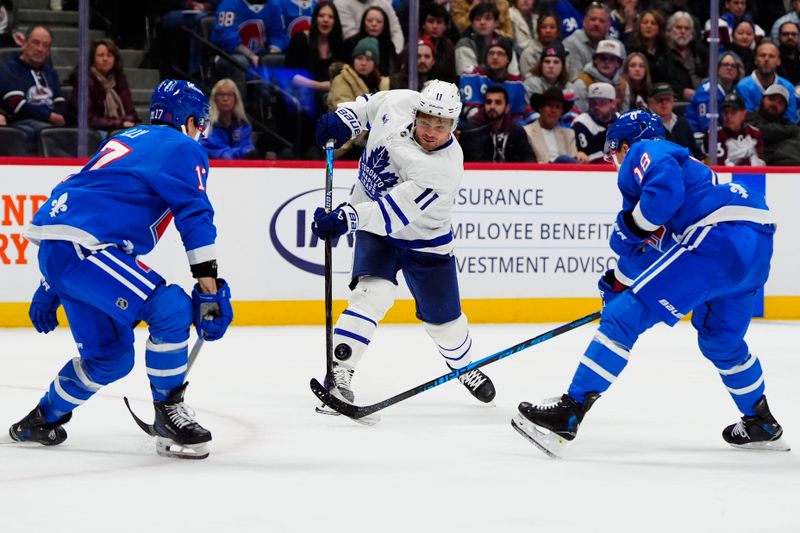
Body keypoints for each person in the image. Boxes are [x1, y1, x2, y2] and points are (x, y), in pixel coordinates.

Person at [512, 109, 788, 457]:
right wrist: (617, 284)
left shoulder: (649, 150)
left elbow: (659, 196)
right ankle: (760, 420)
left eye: (614, 154)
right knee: (721, 341)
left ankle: (569, 411)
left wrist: (630, 231)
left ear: (625, 146)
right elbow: (649, 258)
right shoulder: (693, 187)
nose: (617, 163)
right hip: (754, 247)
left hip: (718, 236)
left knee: (624, 319)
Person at [8, 80, 234, 460]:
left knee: (110, 358)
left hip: (63, 249)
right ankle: (168, 415)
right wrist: (210, 290)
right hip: (88, 250)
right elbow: (195, 217)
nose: (201, 132)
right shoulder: (183, 147)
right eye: (200, 123)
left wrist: (51, 283)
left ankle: (40, 419)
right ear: (190, 120)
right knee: (172, 308)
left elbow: (76, 192)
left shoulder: (126, 138)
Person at [311, 80, 497, 412]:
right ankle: (339, 371)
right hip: (376, 230)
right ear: (417, 111)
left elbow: (390, 214)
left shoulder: (443, 168)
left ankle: (464, 365)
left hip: (424, 242)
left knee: (446, 326)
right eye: (426, 120)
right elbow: (369, 105)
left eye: (441, 126)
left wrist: (346, 218)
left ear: (453, 125)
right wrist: (346, 119)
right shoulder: (398, 101)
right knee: (371, 294)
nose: (431, 130)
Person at [0, 25, 65, 144]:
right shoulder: (9, 68)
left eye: (45, 45)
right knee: (49, 133)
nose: (40, 49)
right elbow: (17, 104)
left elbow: (59, 100)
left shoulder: (50, 72)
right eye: (36, 43)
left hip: (50, 122)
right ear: (24, 43)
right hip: (23, 122)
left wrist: (59, 116)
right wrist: (49, 116)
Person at [328, 36, 391, 158]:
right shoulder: (341, 80)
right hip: (347, 144)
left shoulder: (382, 84)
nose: (363, 63)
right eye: (359, 58)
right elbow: (345, 115)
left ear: (375, 63)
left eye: (368, 59)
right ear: (353, 60)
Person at [67, 37, 139, 136]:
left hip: (118, 128)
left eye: (109, 55)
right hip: (93, 131)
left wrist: (125, 122)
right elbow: (89, 119)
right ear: (93, 59)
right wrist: (120, 123)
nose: (105, 59)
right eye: (101, 55)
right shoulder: (84, 81)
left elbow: (132, 113)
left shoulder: (119, 79)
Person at [459, 84, 536, 162]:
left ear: (507, 108)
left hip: (512, 173)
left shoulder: (516, 129)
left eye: (498, 102)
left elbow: (529, 158)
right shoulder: (473, 128)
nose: (492, 106)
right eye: (489, 102)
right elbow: (475, 161)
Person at [735, 40, 798, 124]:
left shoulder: (788, 87)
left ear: (778, 61)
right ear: (755, 60)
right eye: (762, 55)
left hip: (782, 136)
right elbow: (747, 120)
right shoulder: (743, 86)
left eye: (771, 56)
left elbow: (790, 121)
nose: (766, 59)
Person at [684, 51, 745, 133]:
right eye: (725, 64)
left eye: (733, 66)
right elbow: (707, 125)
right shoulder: (706, 91)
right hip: (698, 135)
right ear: (717, 68)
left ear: (738, 71)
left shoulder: (736, 91)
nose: (729, 68)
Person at [200, 78, 256, 159]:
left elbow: (248, 149)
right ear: (214, 99)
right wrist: (236, 153)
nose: (225, 99)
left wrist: (236, 153)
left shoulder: (243, 125)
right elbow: (211, 147)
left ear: (235, 99)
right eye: (221, 95)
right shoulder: (205, 124)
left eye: (229, 95)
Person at [704, 91, 764, 166]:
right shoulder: (714, 134)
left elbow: (761, 164)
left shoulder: (754, 133)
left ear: (743, 114)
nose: (729, 116)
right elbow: (719, 166)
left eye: (733, 112)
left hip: (752, 176)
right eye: (726, 112)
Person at [746, 84, 800, 165]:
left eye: (780, 103)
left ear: (785, 108)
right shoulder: (749, 117)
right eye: (772, 99)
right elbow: (762, 132)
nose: (775, 104)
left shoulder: (786, 124)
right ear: (762, 99)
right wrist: (791, 130)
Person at [648, 82, 703, 160]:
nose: (664, 103)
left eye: (668, 99)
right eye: (659, 99)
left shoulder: (683, 123)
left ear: (673, 100)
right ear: (650, 101)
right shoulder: (646, 125)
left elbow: (696, 152)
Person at [524, 86, 581, 162]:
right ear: (541, 108)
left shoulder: (569, 134)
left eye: (558, 107)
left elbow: (573, 162)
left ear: (561, 113)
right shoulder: (526, 132)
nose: (553, 110)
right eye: (549, 105)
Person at [572, 81, 619, 163]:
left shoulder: (623, 120)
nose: (596, 107)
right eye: (593, 103)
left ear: (613, 103)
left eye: (602, 102)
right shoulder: (581, 123)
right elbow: (589, 157)